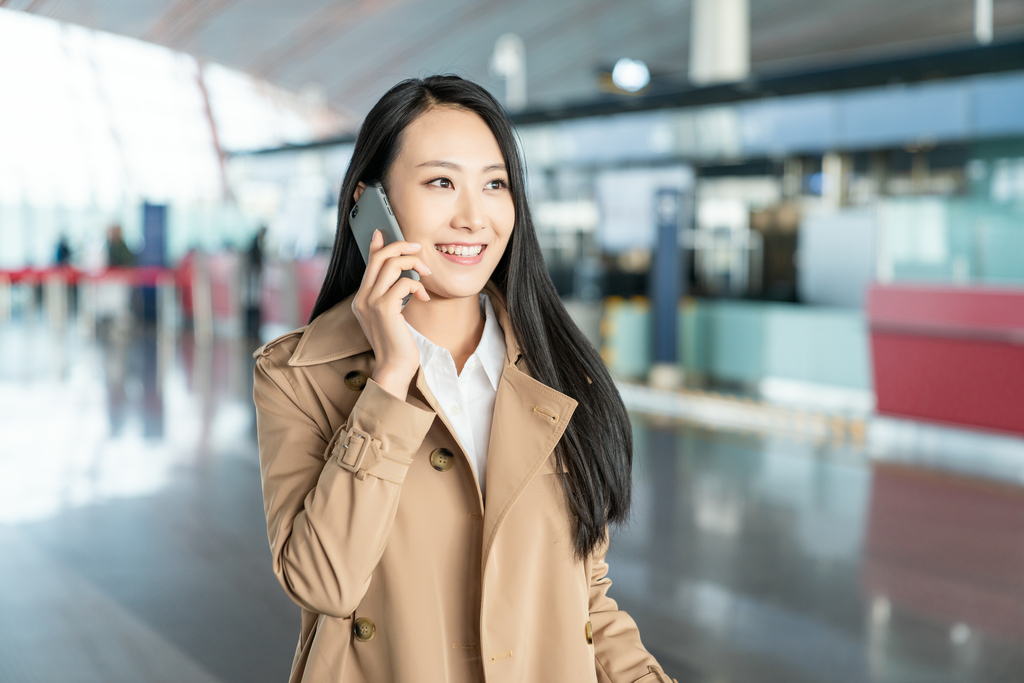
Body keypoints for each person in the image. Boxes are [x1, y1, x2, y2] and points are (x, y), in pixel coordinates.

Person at [252, 75, 675, 683]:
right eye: (441, 182)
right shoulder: (298, 377)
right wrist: (390, 382)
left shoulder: (561, 370)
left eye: (495, 184)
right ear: (370, 204)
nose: (474, 217)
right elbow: (324, 582)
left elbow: (585, 604)